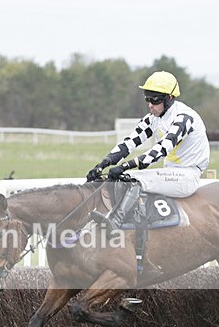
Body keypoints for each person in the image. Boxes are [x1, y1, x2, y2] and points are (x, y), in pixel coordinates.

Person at [86, 71, 210, 232]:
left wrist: (125, 166)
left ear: (169, 98)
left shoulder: (184, 118)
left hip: (187, 176)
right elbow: (130, 142)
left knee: (131, 179)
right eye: (147, 99)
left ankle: (116, 222)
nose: (150, 104)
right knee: (117, 178)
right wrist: (103, 163)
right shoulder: (153, 117)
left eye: (155, 99)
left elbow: (161, 150)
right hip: (171, 173)